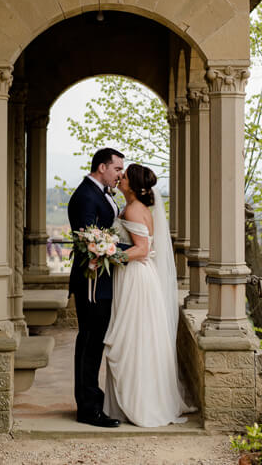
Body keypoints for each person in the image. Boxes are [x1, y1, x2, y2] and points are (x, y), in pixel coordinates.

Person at [102, 163, 194, 426]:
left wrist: (108, 254)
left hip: (135, 277)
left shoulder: (133, 209)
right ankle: (133, 400)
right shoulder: (136, 208)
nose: (120, 178)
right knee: (137, 337)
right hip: (137, 275)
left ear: (133, 185)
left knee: (134, 338)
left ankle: (141, 403)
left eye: (125, 177)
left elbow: (141, 249)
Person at [68, 147, 125, 428]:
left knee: (94, 341)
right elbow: (90, 241)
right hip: (92, 280)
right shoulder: (85, 196)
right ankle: (88, 409)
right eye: (117, 169)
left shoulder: (99, 192)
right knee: (90, 342)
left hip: (102, 279)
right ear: (102, 167)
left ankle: (89, 403)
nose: (120, 175)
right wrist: (127, 250)